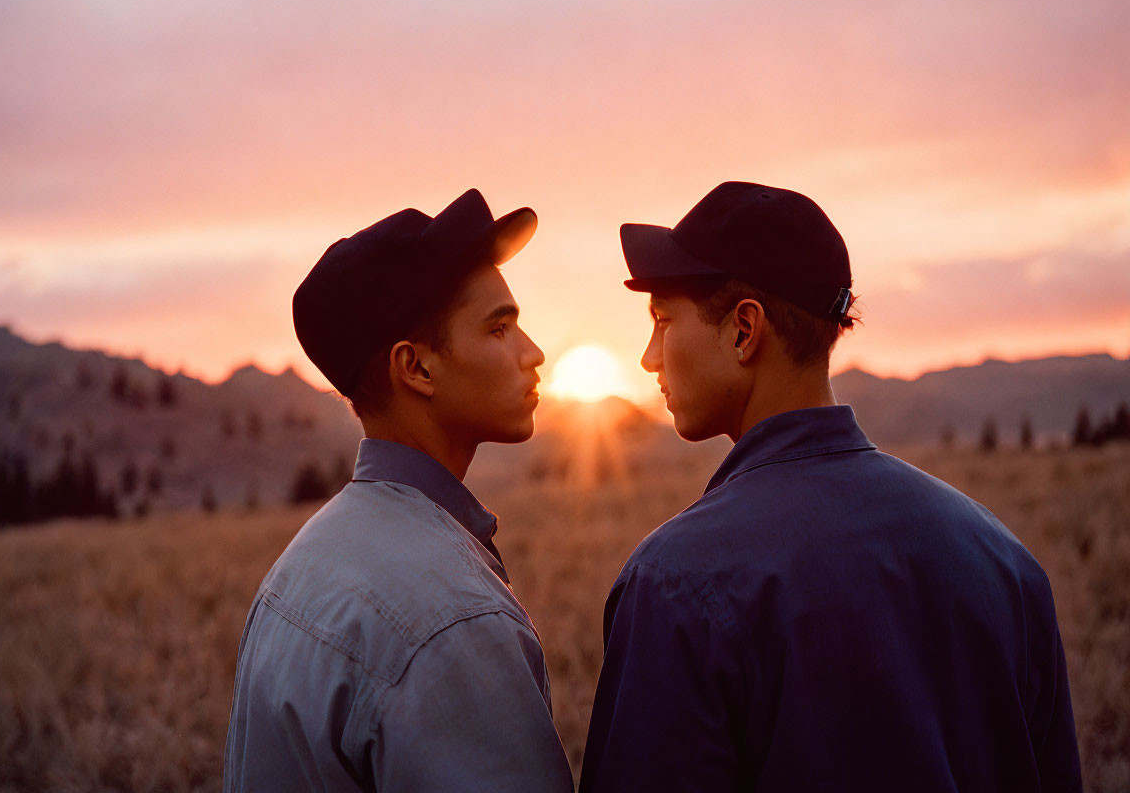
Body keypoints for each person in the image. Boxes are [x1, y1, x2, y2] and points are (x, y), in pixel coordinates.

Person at [580, 182, 1082, 792]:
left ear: (744, 330)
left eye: (662, 321)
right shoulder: (1004, 559)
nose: (648, 358)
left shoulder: (676, 583)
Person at [224, 189, 574, 793]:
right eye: (499, 328)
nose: (533, 353)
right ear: (416, 369)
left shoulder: (301, 565)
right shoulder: (453, 619)